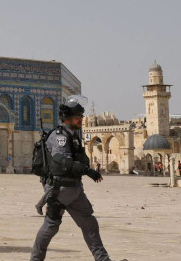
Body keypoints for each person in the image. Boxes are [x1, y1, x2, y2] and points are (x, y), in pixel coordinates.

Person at [30, 96, 116, 261]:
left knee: (89, 224)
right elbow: (62, 160)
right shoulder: (59, 136)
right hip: (59, 189)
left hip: (74, 189)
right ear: (67, 117)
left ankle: (102, 259)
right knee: (51, 226)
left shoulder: (73, 136)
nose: (81, 120)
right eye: (78, 117)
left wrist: (85, 171)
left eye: (82, 116)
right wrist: (87, 171)